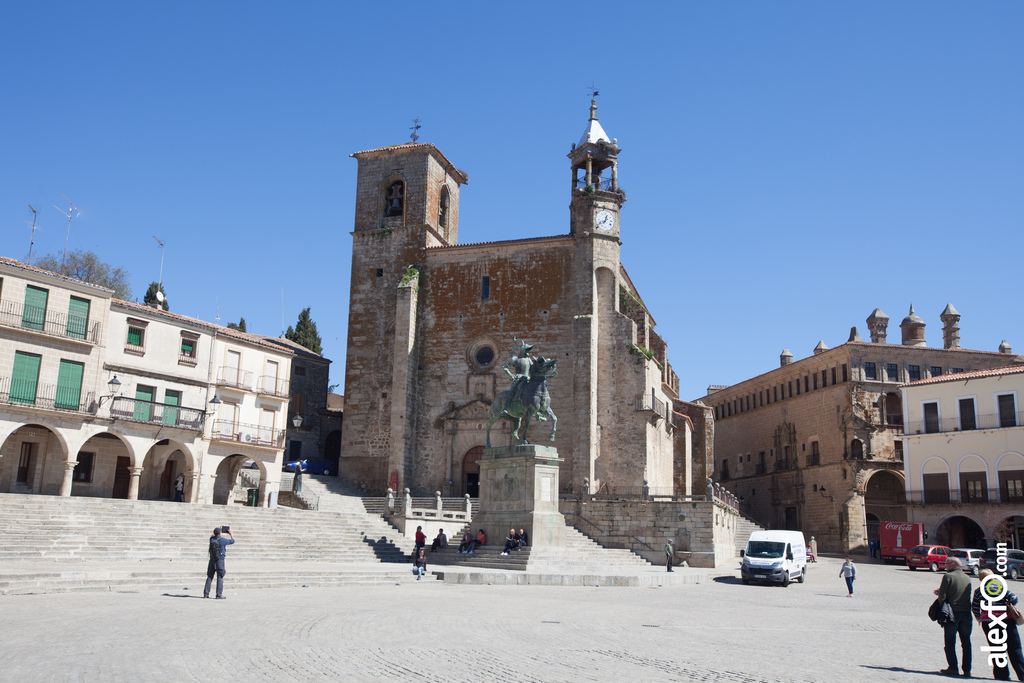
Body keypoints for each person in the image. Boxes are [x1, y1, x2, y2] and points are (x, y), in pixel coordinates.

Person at [972, 568, 1024, 680]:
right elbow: (1014, 598)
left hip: (989, 622)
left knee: (997, 649)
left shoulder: (978, 591)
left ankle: (1002, 675)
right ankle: (1022, 674)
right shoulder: (1000, 587)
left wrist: (979, 617)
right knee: (1014, 647)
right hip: (1006, 620)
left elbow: (975, 607)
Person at [935, 556, 973, 677]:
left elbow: (943, 596)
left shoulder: (948, 576)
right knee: (966, 642)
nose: (945, 566)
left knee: (950, 641)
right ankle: (967, 669)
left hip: (953, 613)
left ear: (952, 564)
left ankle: (953, 667)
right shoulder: (967, 577)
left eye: (946, 564)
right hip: (967, 613)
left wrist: (941, 608)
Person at [204, 526, 235, 599]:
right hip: (220, 560)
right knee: (220, 577)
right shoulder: (222, 540)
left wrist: (218, 528)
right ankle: (218, 594)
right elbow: (232, 541)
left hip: (212, 560)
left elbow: (213, 535)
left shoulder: (211, 539)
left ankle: (206, 593)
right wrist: (231, 534)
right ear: (220, 533)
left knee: (209, 577)